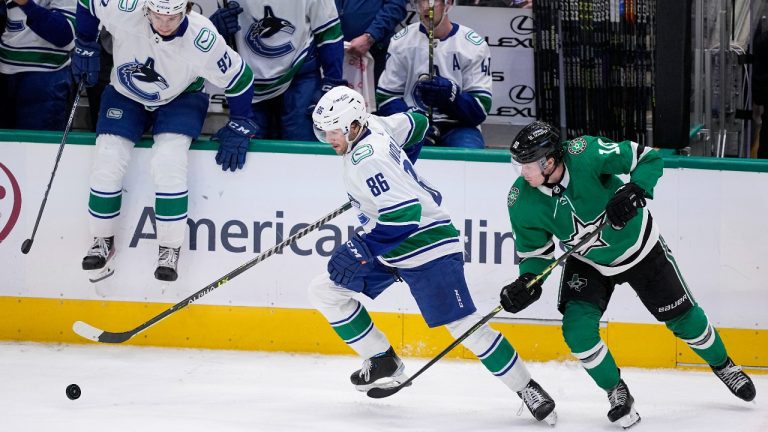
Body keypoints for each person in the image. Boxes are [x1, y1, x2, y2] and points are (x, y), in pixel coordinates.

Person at [307, 86, 557, 425]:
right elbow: (418, 123)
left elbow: (405, 217)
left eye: (333, 131)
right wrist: (402, 171)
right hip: (392, 246)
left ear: (353, 125)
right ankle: (381, 360)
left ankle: (527, 387)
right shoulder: (376, 125)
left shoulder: (368, 161)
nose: (328, 138)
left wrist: (360, 247)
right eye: (324, 131)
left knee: (464, 327)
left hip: (428, 245)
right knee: (326, 290)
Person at [499, 121, 757, 428]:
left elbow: (649, 158)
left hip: (640, 248)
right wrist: (526, 281)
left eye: (525, 166)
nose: (521, 174)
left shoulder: (587, 153)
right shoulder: (521, 200)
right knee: (577, 332)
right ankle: (616, 391)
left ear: (549, 161)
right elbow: (535, 254)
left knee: (685, 320)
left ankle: (723, 364)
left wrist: (635, 189)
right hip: (588, 262)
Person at [72, 0, 258, 283]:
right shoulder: (125, 7)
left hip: (181, 97)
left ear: (186, 9)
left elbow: (240, 76)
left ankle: (169, 248)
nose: (165, 24)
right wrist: (85, 42)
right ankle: (102, 240)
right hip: (125, 92)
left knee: (170, 161)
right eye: (158, 16)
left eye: (172, 17)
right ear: (146, 8)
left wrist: (241, 121)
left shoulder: (202, 37)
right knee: (108, 158)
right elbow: (88, 2)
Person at [209, 0, 347, 142]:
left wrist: (332, 82)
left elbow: (329, 33)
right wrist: (216, 31)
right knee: (251, 154)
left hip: (299, 78)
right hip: (249, 83)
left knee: (300, 149)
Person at [376, 0, 491, 149]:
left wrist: (453, 97)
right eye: (420, 2)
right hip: (413, 122)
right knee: (401, 153)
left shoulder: (473, 45)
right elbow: (386, 97)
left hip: (459, 126)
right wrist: (411, 121)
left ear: (448, 4)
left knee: (470, 155)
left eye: (432, 1)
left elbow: (480, 109)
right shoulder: (401, 42)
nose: (425, 7)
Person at [0, 0, 76, 131]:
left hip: (45, 76)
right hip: (4, 70)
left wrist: (26, 4)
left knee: (40, 147)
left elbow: (65, 35)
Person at [334, 0, 407, 86]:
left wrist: (371, 36)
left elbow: (396, 6)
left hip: (376, 53)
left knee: (375, 98)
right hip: (337, 54)